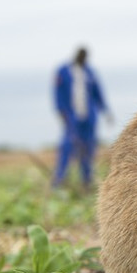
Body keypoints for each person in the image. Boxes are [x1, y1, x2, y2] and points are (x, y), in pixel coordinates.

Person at [52, 47, 112, 189]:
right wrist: (61, 111)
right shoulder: (63, 71)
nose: (83, 59)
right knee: (68, 146)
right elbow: (57, 93)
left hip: (89, 117)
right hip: (72, 116)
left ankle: (86, 180)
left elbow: (98, 93)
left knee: (88, 148)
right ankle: (60, 180)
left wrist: (106, 111)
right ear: (76, 55)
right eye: (81, 56)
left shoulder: (90, 72)